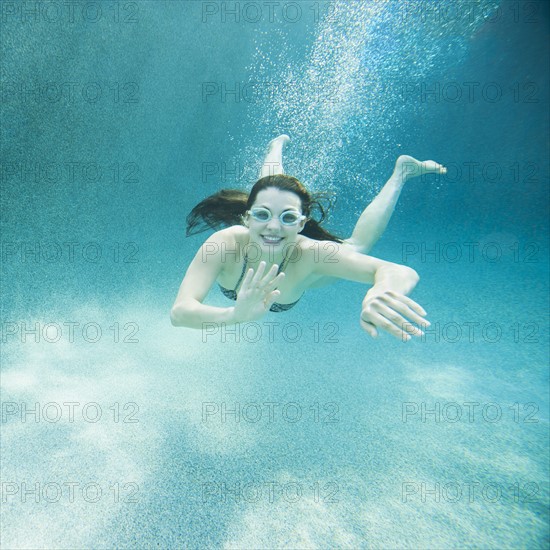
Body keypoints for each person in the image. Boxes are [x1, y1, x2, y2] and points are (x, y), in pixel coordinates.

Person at [170, 135, 446, 340]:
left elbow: (398, 271)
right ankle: (274, 149)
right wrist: (234, 316)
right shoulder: (225, 244)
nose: (274, 228)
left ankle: (401, 173)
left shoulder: (313, 254)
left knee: (357, 246)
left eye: (289, 219)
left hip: (307, 272)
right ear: (246, 218)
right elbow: (179, 313)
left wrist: (383, 289)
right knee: (272, 192)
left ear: (302, 224)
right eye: (261, 216)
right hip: (258, 266)